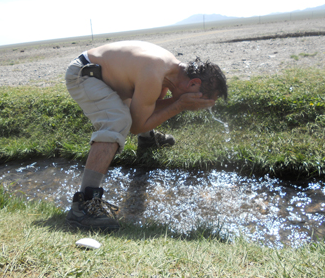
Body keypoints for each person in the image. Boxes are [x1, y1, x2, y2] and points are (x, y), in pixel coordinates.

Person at [65, 40, 228, 231]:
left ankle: (147, 140)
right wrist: (179, 105)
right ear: (194, 83)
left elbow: (147, 105)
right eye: (202, 99)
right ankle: (83, 206)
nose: (199, 106)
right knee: (117, 121)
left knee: (141, 105)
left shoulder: (171, 72)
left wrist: (177, 101)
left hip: (105, 75)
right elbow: (135, 125)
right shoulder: (154, 73)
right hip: (85, 75)